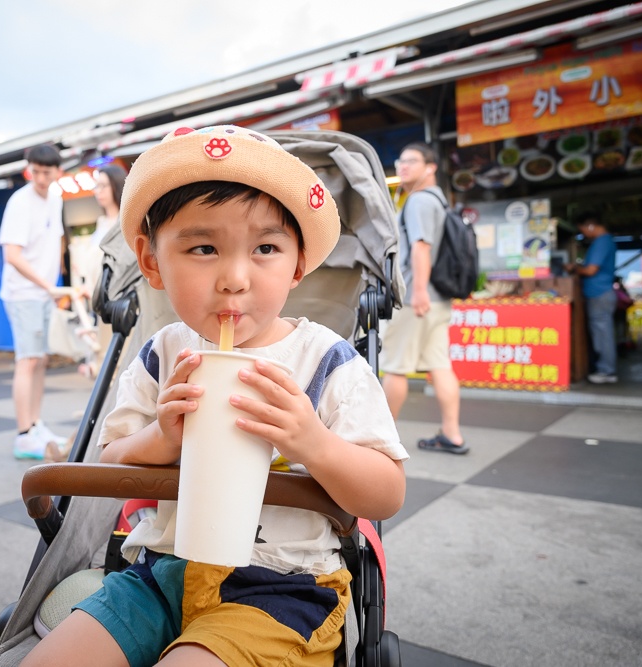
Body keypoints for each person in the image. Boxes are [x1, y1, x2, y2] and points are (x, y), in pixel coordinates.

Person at [22, 125, 408, 667]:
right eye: (203, 247)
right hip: (158, 573)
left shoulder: (327, 361)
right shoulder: (163, 354)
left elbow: (387, 494)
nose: (233, 278)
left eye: (266, 248)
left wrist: (312, 443)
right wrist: (160, 434)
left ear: (299, 262)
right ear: (152, 262)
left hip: (281, 588)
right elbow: (111, 462)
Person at [379, 142, 467, 455]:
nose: (403, 166)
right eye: (400, 160)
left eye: (412, 161)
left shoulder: (418, 202)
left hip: (418, 297)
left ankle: (380, 440)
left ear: (430, 167)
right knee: (439, 364)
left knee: (395, 366)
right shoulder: (441, 202)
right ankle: (452, 433)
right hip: (439, 297)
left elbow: (421, 247)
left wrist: (416, 292)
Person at [0, 144, 68, 459]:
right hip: (23, 293)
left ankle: (36, 424)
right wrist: (47, 286)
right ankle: (24, 433)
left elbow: (58, 242)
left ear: (58, 172)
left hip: (44, 292)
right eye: (35, 171)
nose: (40, 177)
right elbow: (11, 255)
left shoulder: (56, 198)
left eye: (46, 171)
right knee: (27, 360)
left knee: (40, 360)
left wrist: (58, 284)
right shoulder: (19, 202)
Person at [76, 164, 127, 378]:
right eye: (97, 186)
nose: (99, 191)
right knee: (103, 362)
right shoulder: (101, 223)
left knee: (118, 363)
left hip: (119, 301)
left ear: (116, 186)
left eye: (103, 186)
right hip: (98, 301)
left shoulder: (126, 221)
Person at [569, 213, 619, 384]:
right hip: (600, 293)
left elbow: (590, 270)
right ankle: (605, 369)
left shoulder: (602, 242)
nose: (583, 233)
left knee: (602, 334)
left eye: (582, 229)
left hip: (600, 293)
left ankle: (607, 371)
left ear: (590, 226)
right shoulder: (605, 241)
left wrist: (574, 268)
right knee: (602, 333)